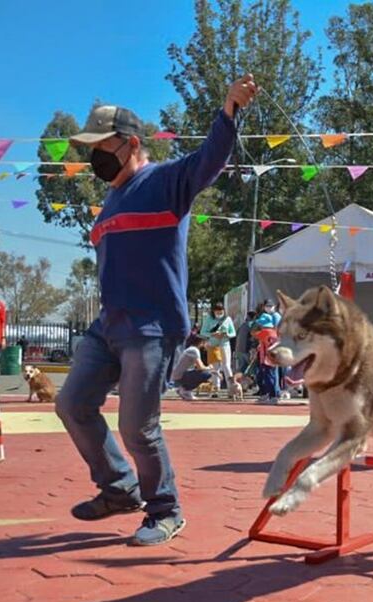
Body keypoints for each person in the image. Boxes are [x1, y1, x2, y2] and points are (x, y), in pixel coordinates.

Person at [54, 74, 257, 546]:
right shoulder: (110, 200)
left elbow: (211, 159)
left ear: (132, 144)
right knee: (71, 404)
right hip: (108, 325)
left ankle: (165, 511)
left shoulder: (166, 182)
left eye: (103, 147)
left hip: (152, 326)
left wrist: (228, 109)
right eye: (92, 150)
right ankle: (120, 489)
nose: (96, 158)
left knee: (136, 425)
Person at [202, 301, 235, 397]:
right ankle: (215, 389)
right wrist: (212, 334)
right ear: (213, 311)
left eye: (221, 312)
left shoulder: (227, 319)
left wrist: (225, 335)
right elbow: (203, 332)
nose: (219, 314)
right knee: (215, 368)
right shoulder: (208, 319)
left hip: (224, 344)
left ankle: (231, 389)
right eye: (217, 312)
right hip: (213, 345)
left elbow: (233, 333)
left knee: (226, 366)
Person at [170, 334, 212, 400]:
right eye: (205, 342)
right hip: (180, 375)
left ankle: (182, 389)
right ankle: (186, 390)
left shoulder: (192, 349)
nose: (206, 344)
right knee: (206, 374)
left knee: (206, 372)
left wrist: (214, 371)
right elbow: (200, 367)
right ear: (201, 342)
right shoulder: (194, 350)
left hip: (179, 374)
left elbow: (198, 366)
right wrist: (209, 367)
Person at [253, 309, 281, 405]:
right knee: (271, 377)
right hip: (273, 358)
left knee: (268, 378)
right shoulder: (274, 332)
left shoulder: (264, 332)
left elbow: (254, 334)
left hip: (266, 359)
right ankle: (269, 395)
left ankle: (272, 396)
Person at [233, 310, 255, 375]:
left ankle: (236, 381)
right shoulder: (252, 325)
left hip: (239, 350)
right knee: (251, 369)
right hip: (247, 351)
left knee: (241, 368)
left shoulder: (242, 325)